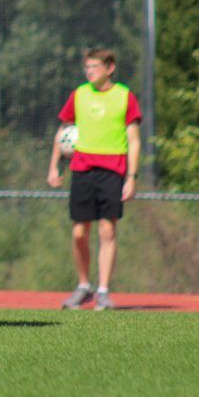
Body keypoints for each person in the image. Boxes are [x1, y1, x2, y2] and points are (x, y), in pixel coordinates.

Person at [48, 49, 141, 311]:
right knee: (79, 233)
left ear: (110, 68)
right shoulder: (80, 94)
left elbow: (134, 141)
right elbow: (64, 131)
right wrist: (54, 166)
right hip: (82, 170)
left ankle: (103, 291)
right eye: (87, 67)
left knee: (107, 230)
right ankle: (83, 286)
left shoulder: (125, 96)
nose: (89, 71)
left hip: (112, 171)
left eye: (94, 66)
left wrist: (132, 177)